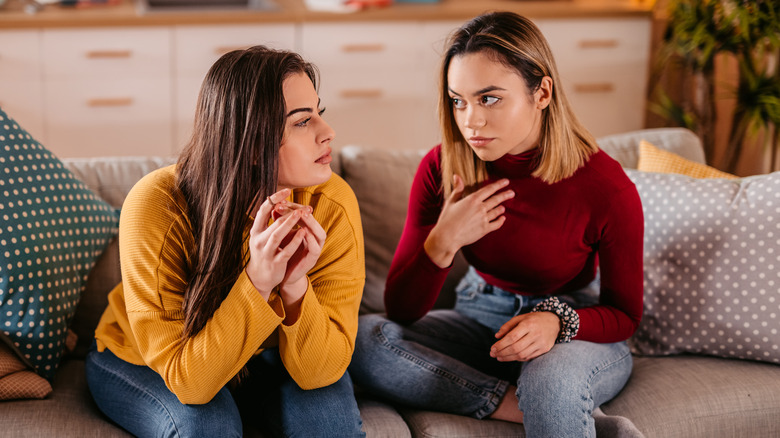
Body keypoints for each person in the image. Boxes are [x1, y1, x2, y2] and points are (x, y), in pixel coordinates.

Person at [349, 11, 643, 438]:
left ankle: (549, 399)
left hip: (571, 323)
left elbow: (625, 314)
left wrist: (557, 321)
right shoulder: (442, 167)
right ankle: (525, 407)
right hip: (480, 313)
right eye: (458, 101)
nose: (471, 121)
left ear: (541, 92)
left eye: (489, 98)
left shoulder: (605, 187)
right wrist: (442, 242)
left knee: (549, 380)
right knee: (363, 339)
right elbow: (401, 311)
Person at [85, 46, 366, 438]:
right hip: (145, 362)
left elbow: (321, 371)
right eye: (302, 122)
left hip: (265, 357)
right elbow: (190, 383)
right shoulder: (156, 205)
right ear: (251, 144)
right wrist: (258, 280)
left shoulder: (332, 205)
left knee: (330, 427)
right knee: (210, 427)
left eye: (320, 112)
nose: (327, 132)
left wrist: (295, 287)